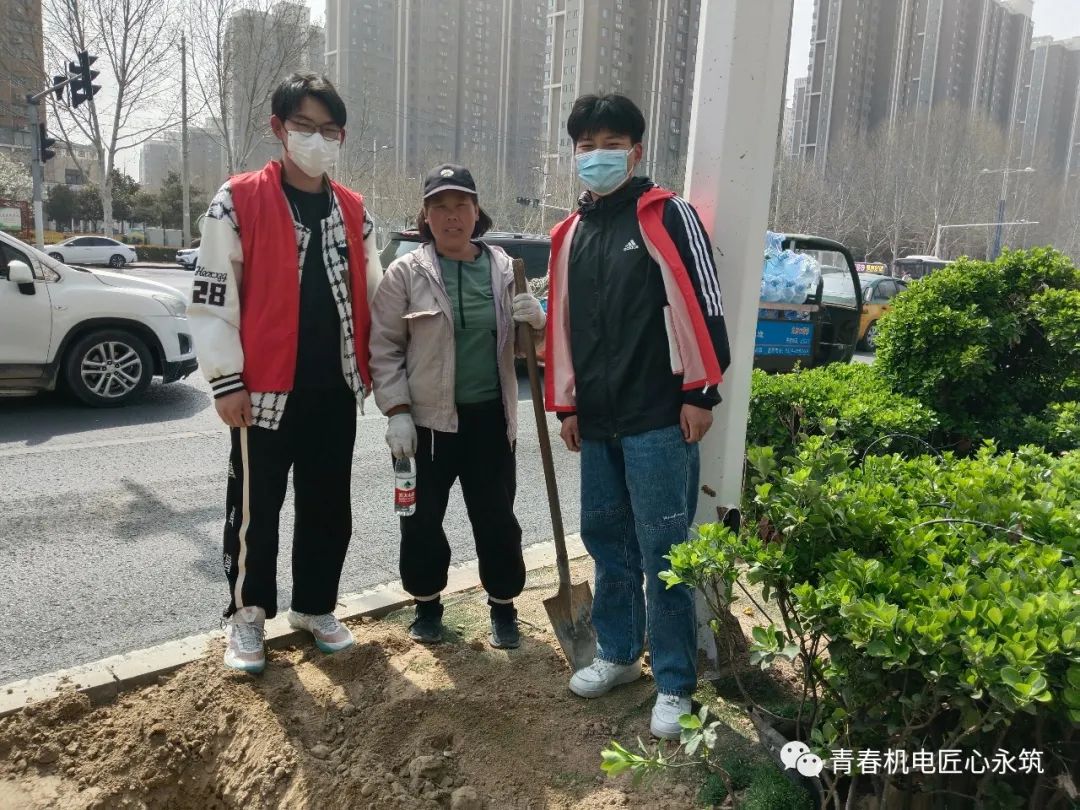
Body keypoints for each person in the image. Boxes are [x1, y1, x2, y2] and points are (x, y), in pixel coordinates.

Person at [544, 94, 731, 739]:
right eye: (586, 146)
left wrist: (701, 393)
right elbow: (564, 325)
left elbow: (704, 300)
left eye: (611, 144)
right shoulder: (570, 234)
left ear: (636, 150)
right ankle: (620, 653)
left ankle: (674, 682)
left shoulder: (666, 214)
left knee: (664, 547)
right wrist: (568, 404)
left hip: (659, 416)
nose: (597, 156)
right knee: (606, 539)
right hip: (598, 420)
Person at [188, 73, 382, 674]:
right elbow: (213, 295)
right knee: (256, 509)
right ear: (278, 128)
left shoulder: (354, 210)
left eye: (329, 130)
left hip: (335, 387)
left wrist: (383, 370)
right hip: (263, 391)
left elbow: (374, 291)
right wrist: (225, 379)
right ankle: (247, 616)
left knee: (328, 507)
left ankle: (315, 606)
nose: (316, 139)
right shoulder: (238, 199)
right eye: (304, 126)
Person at [369, 164, 546, 650]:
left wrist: (536, 323)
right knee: (420, 520)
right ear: (425, 216)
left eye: (461, 205)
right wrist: (396, 411)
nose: (452, 216)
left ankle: (504, 607)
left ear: (476, 211)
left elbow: (525, 348)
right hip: (424, 425)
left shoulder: (504, 269)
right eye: (440, 207)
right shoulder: (405, 273)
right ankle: (427, 606)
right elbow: (384, 347)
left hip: (491, 420)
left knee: (497, 519)